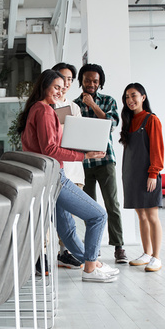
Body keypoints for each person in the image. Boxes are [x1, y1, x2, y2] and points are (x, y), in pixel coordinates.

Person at [18, 69, 119, 283]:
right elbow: (50, 149)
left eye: (62, 87)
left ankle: (91, 262)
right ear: (44, 86)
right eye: (55, 86)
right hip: (54, 175)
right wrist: (85, 154)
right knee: (98, 216)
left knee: (66, 228)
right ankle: (91, 267)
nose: (60, 90)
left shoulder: (36, 109)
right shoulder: (45, 111)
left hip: (44, 177)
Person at [74, 63, 128, 264]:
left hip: (105, 160)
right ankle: (93, 249)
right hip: (84, 163)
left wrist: (93, 106)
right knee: (89, 208)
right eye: (87, 80)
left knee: (112, 204)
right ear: (82, 81)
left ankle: (118, 246)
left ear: (100, 83)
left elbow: (111, 125)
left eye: (95, 81)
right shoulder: (73, 105)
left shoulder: (108, 101)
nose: (91, 84)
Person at [120, 82, 164, 272]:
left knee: (152, 216)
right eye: (127, 97)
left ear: (143, 98)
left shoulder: (151, 120)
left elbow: (157, 149)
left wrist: (153, 173)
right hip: (131, 175)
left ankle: (157, 257)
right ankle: (146, 253)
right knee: (141, 216)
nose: (130, 100)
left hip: (148, 175)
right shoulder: (129, 121)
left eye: (134, 95)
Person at [51, 62, 85, 270]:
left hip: (73, 169)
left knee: (69, 218)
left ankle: (66, 253)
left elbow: (78, 137)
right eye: (63, 78)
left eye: (70, 79)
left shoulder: (74, 107)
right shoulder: (45, 106)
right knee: (56, 216)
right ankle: (49, 253)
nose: (66, 83)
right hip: (56, 169)